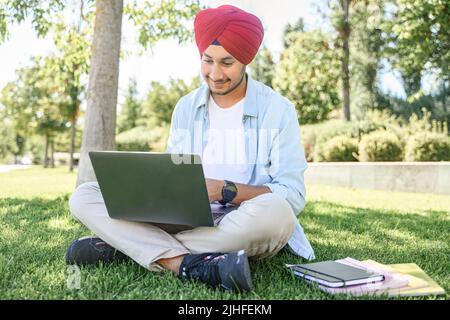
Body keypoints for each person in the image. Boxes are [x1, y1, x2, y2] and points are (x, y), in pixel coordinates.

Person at [66, 4, 314, 292]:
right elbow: (173, 172)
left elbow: (293, 196)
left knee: (277, 212)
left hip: (242, 219)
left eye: (227, 62)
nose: (215, 73)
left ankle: (124, 247)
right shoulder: (186, 107)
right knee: (84, 196)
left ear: (247, 60)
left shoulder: (278, 110)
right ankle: (186, 264)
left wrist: (225, 189)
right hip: (186, 219)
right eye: (207, 60)